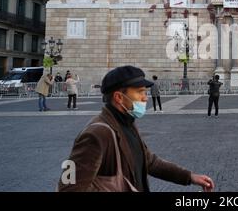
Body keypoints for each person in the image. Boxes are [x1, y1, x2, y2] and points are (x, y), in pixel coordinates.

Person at [57, 66, 214, 192]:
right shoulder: (96, 134)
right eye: (140, 92)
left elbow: (149, 161)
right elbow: (68, 187)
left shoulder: (127, 124)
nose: (145, 98)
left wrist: (189, 177)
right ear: (119, 97)